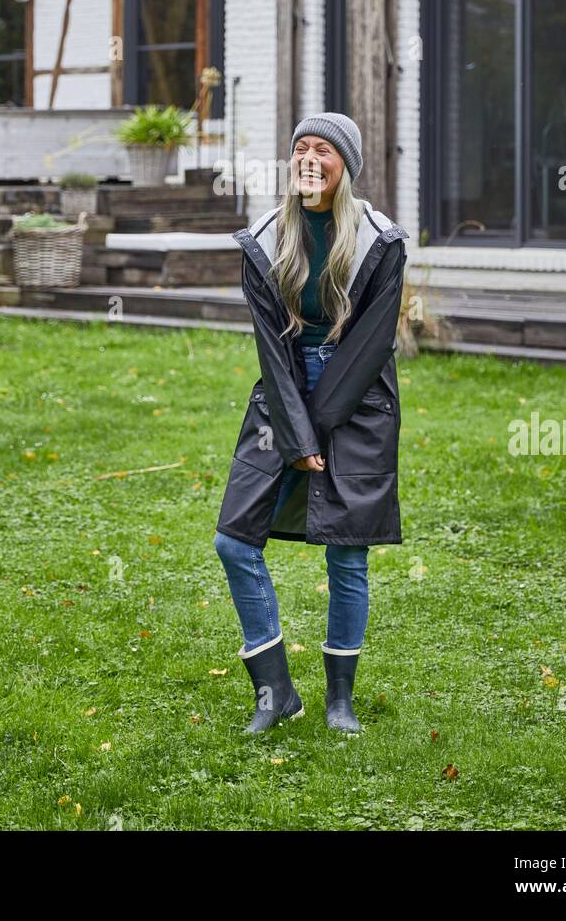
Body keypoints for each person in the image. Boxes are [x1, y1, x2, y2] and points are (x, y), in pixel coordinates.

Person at [214, 112, 409, 735]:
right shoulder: (266, 239)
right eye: (300, 147)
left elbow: (374, 342)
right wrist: (296, 435)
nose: (309, 158)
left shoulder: (382, 241)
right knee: (234, 539)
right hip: (282, 389)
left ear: (344, 166)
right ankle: (275, 691)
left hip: (361, 397)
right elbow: (271, 345)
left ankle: (339, 700)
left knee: (348, 555)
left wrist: (321, 425)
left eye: (323, 149)